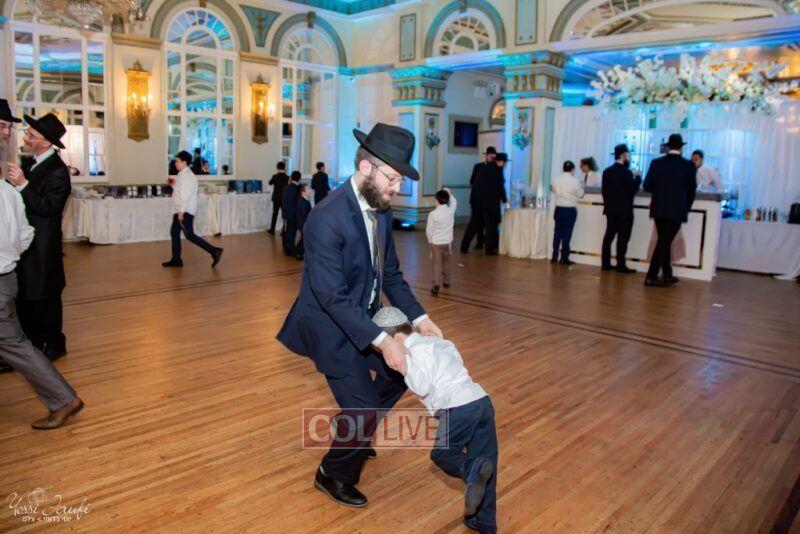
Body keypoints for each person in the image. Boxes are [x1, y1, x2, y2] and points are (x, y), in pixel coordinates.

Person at [277, 122, 443, 508]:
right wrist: (384, 342)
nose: (396, 188)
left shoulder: (381, 209)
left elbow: (392, 275)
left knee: (403, 372)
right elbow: (332, 298)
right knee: (364, 406)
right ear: (366, 167)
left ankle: (354, 428)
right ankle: (332, 473)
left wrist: (420, 319)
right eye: (393, 178)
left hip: (364, 317)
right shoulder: (326, 217)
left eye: (400, 180)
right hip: (329, 327)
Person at [373, 307, 497, 534]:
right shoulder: (438, 342)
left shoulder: (412, 354)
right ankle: (484, 522)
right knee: (487, 464)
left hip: (456, 409)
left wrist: (403, 365)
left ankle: (472, 468)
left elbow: (422, 386)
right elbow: (457, 363)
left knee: (443, 454)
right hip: (481, 401)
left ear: (396, 339)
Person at [0, 165, 85, 428]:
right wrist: (9, 257)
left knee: (14, 344)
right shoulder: (9, 191)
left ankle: (63, 399)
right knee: (14, 342)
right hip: (7, 276)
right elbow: (26, 233)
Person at [5, 112, 72, 363]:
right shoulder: (31, 163)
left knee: (45, 296)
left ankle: (54, 343)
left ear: (45, 142)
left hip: (43, 246)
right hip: (27, 242)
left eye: (31, 135)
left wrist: (23, 184)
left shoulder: (58, 171)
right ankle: (29, 347)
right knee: (28, 296)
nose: (26, 137)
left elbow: (48, 208)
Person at [643, 134, 697, 287]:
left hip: (659, 209)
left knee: (664, 240)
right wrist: (686, 208)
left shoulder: (656, 163)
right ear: (681, 147)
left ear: (668, 147)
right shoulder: (688, 165)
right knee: (664, 241)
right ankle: (651, 276)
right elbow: (691, 191)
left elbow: (647, 185)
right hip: (677, 210)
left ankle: (667, 274)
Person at [161, 151, 223, 268]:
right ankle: (176, 259)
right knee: (174, 232)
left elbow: (186, 195)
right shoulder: (182, 174)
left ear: (184, 162)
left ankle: (214, 251)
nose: (175, 163)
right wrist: (172, 183)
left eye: (177, 161)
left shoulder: (187, 176)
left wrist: (181, 211)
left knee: (190, 235)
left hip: (184, 211)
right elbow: (180, 190)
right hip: (181, 210)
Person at [601, 144, 642, 273]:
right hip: (624, 211)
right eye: (628, 155)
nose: (629, 158)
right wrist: (638, 177)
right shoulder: (626, 172)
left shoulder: (607, 171)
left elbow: (604, 191)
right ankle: (620, 265)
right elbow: (632, 189)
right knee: (623, 239)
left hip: (610, 210)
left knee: (609, 236)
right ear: (623, 156)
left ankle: (605, 263)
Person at [460, 147, 496, 253]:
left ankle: (486, 244)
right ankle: (470, 245)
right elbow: (472, 181)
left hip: (488, 202)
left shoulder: (495, 168)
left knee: (487, 223)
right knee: (475, 224)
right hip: (477, 200)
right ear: (486, 155)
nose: (492, 158)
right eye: (490, 156)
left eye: (493, 156)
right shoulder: (478, 166)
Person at [472, 153, 508, 255]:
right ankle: (489, 249)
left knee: (488, 226)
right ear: (501, 161)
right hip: (491, 203)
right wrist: (504, 199)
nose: (504, 165)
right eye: (504, 162)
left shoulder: (486, 168)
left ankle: (490, 247)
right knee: (491, 226)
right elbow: (500, 187)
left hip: (481, 202)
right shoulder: (497, 170)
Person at [550, 160, 585, 265]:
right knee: (567, 234)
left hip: (559, 209)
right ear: (573, 169)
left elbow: (554, 190)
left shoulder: (556, 180)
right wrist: (583, 186)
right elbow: (581, 195)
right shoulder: (575, 181)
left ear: (563, 169)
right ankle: (564, 258)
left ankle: (554, 256)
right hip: (570, 210)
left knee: (557, 233)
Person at [426, 188, 457, 296]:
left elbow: (429, 230)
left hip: (436, 244)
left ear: (437, 200)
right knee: (446, 263)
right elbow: (454, 203)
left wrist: (430, 243)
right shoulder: (450, 211)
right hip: (447, 243)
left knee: (437, 265)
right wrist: (449, 194)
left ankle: (436, 285)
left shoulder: (433, 214)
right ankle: (446, 281)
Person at [281, 171, 302, 256]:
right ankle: (291, 249)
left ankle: (286, 247)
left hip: (286, 212)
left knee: (287, 230)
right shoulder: (297, 188)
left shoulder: (286, 187)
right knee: (292, 232)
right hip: (294, 213)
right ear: (299, 179)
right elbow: (298, 202)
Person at [268, 161, 289, 235]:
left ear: (277, 168)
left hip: (276, 198)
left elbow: (270, 183)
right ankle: (284, 230)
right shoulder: (287, 177)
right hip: (284, 198)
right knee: (284, 215)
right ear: (284, 168)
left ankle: (272, 230)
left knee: (275, 214)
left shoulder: (275, 176)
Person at [295, 183, 312, 260]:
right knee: (304, 238)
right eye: (308, 190)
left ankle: (298, 252)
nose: (309, 191)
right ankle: (299, 253)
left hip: (304, 222)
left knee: (304, 238)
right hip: (303, 223)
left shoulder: (305, 200)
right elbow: (305, 213)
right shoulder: (303, 201)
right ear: (303, 192)